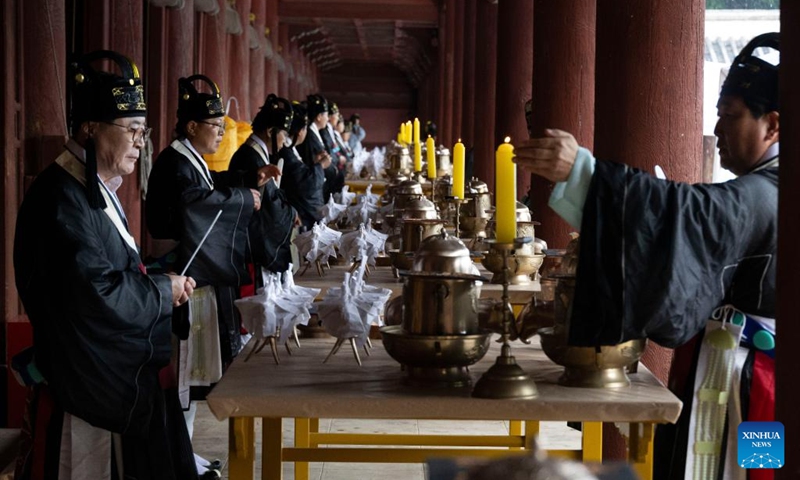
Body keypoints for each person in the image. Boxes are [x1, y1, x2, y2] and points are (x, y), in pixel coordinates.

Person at [514, 33, 779, 480]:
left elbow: (695, 215)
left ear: (772, 125)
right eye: (717, 116)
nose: (719, 131)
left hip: (753, 374)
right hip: (740, 366)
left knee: (746, 470)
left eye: (730, 116)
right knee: (735, 467)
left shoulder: (767, 193)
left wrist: (585, 174)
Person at [13, 50, 198, 480]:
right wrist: (159, 292)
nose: (140, 141)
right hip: (89, 379)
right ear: (90, 129)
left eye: (143, 130)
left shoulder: (92, 186)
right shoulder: (60, 199)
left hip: (114, 367)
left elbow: (113, 271)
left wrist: (158, 278)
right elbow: (93, 291)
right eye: (131, 129)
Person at [144, 74, 280, 478]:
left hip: (195, 277)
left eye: (224, 127)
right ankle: (180, 456)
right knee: (182, 374)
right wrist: (241, 198)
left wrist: (246, 182)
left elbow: (209, 187)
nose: (222, 134)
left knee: (190, 378)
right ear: (191, 127)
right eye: (216, 127)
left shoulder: (189, 160)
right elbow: (192, 205)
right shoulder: (173, 161)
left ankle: (186, 452)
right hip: (181, 277)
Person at [228, 94, 299, 275]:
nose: (285, 142)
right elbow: (269, 208)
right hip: (252, 244)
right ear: (270, 132)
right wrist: (291, 214)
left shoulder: (255, 153)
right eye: (284, 134)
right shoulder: (251, 158)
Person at [280, 101, 331, 230]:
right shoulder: (285, 151)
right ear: (300, 131)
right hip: (298, 213)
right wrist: (320, 166)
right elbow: (306, 183)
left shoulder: (291, 148)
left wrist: (315, 164)